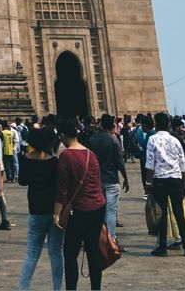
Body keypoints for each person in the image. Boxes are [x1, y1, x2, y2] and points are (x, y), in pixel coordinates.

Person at [54, 120, 106, 291]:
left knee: (70, 254)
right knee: (93, 251)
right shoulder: (91, 153)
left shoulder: (66, 155)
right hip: (98, 207)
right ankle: (96, 288)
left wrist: (57, 214)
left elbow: (62, 188)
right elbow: (98, 181)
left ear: (62, 136)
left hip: (79, 210)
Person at [145, 110, 185, 257]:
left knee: (161, 215)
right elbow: (182, 163)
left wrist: (148, 184)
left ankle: (162, 248)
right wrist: (184, 183)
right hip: (176, 179)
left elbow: (149, 164)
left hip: (160, 180)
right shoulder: (175, 140)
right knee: (179, 214)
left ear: (155, 124)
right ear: (168, 124)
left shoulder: (153, 140)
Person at [18, 125, 63, 291]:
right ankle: (57, 288)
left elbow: (22, 181)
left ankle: (23, 288)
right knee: (56, 253)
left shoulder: (25, 158)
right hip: (54, 211)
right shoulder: (55, 162)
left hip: (36, 210)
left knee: (31, 253)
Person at [87, 114, 128, 243]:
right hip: (111, 179)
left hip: (97, 179)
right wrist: (125, 178)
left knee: (98, 210)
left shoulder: (92, 138)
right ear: (112, 125)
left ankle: (98, 236)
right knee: (111, 211)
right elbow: (120, 162)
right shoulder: (113, 139)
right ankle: (111, 238)